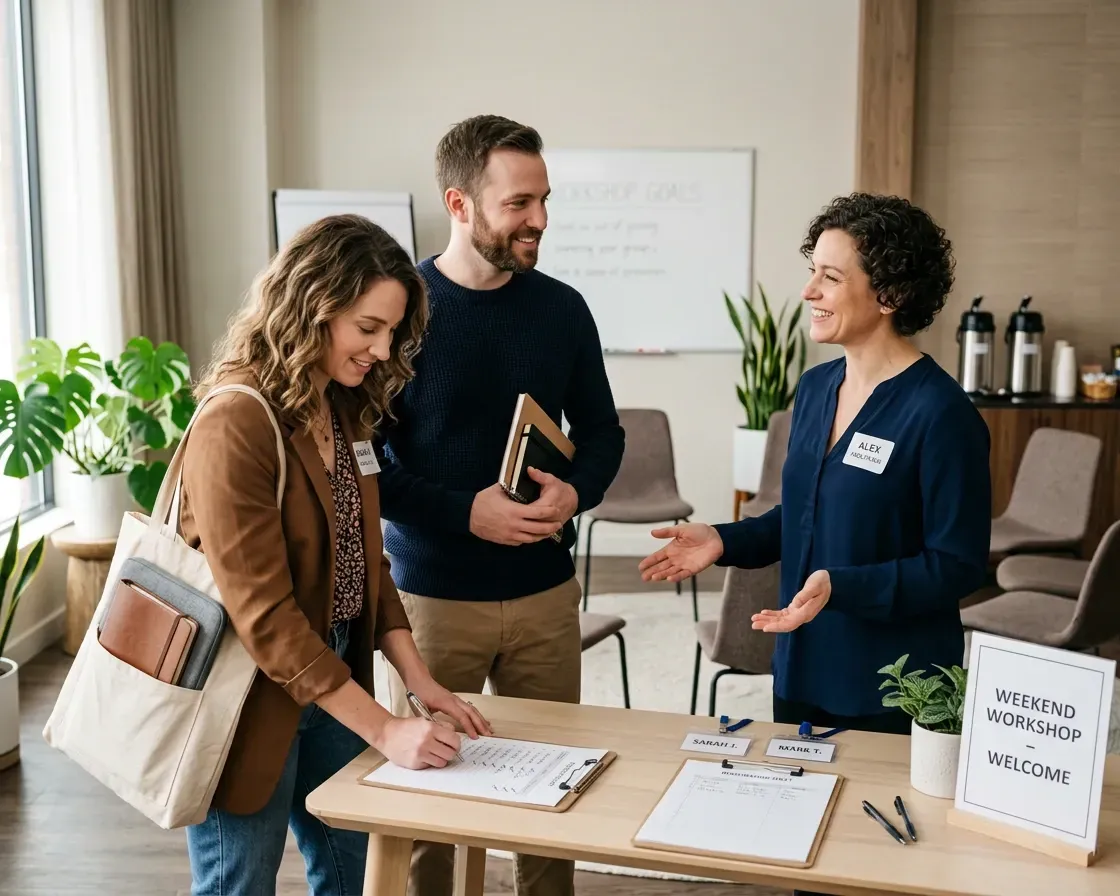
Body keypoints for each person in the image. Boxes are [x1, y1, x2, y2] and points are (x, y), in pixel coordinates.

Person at [180, 215, 492, 896]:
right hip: (250, 695)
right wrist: (385, 730)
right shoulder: (236, 421)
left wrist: (420, 681)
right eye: (367, 328)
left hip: (334, 677)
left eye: (392, 333)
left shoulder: (340, 405)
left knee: (356, 878)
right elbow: (264, 619)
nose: (382, 352)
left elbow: (365, 558)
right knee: (240, 882)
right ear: (310, 307)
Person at [374, 114, 625, 896]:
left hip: (548, 598)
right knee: (430, 804)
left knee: (554, 793)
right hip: (430, 603)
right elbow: (368, 467)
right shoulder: (398, 311)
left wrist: (577, 490)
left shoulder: (562, 309)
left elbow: (606, 434)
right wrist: (464, 513)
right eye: (519, 203)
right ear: (459, 204)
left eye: (544, 200)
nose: (539, 220)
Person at [640, 192, 992, 737]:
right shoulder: (815, 388)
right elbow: (804, 517)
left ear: (890, 293)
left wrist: (840, 587)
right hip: (802, 665)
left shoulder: (941, 414)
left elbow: (957, 565)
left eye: (830, 277)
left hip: (892, 682)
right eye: (812, 272)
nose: (809, 292)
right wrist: (723, 540)